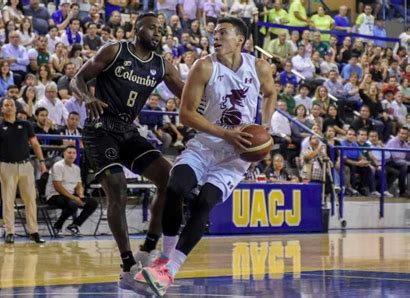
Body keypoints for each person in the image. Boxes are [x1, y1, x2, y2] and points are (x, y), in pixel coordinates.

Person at [135, 16, 277, 296]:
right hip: (206, 144)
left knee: (204, 203)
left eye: (223, 32)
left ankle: (170, 270)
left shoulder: (259, 66)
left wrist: (266, 125)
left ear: (240, 40)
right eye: (214, 32)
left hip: (236, 156)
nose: (216, 36)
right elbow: (186, 115)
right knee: (175, 186)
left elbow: (271, 93)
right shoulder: (204, 66)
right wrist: (226, 134)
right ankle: (164, 259)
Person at [70, 13, 184, 292]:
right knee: (118, 190)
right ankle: (127, 265)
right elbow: (77, 79)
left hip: (129, 129)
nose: (158, 33)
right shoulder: (114, 50)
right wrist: (87, 97)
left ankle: (147, 249)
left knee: (171, 181)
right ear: (137, 28)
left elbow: (186, 93)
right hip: (100, 128)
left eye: (162, 29)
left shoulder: (162, 65)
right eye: (153, 27)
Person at [0, 98, 47, 244]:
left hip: (26, 166)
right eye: (5, 105)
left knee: (30, 200)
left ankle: (34, 232)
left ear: (16, 108)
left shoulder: (26, 125)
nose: (8, 107)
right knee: (8, 201)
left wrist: (42, 161)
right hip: (7, 167)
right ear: (1, 109)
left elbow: (35, 144)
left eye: (11, 105)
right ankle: (9, 232)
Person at [44, 145, 98, 237]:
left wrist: (80, 194)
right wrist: (74, 198)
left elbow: (78, 185)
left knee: (92, 203)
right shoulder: (58, 166)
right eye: (69, 153)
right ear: (64, 154)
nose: (71, 155)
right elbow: (58, 187)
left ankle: (74, 225)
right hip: (54, 195)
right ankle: (57, 226)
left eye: (74, 153)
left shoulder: (76, 168)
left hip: (69, 195)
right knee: (72, 204)